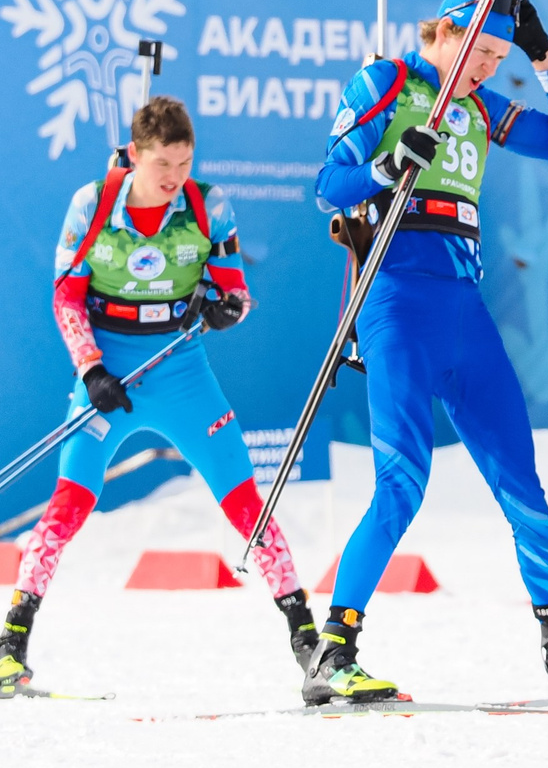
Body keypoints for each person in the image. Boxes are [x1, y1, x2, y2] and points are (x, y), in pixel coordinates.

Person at [305, 0, 548, 705]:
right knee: (403, 482)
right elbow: (327, 184)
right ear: (441, 31)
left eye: (497, 55)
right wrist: (386, 162)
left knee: (520, 477)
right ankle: (332, 652)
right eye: (479, 50)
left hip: (463, 305)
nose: (483, 67)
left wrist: (542, 56)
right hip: (397, 299)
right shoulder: (389, 81)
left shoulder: (478, 106)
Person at [2, 97, 315, 691]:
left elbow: (236, 292)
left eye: (185, 162)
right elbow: (66, 294)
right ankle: (9, 646)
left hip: (179, 366)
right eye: (163, 165)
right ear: (135, 153)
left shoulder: (206, 204)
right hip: (110, 369)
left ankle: (310, 646)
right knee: (69, 504)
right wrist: (91, 370)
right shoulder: (92, 203)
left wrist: (225, 311)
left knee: (247, 501)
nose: (174, 178)